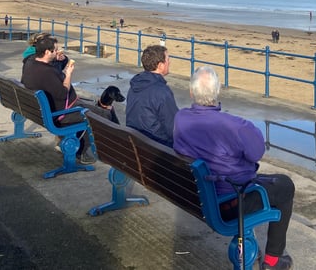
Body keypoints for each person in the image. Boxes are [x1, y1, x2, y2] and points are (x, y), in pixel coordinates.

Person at [174, 66, 295, 270]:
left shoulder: (180, 119)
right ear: (218, 91)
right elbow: (256, 153)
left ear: (191, 92)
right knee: (284, 185)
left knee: (265, 180)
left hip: (197, 196)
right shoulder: (235, 125)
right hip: (228, 204)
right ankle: (273, 260)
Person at [21, 35, 94, 164]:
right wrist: (68, 74)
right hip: (59, 113)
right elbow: (62, 93)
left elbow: (51, 72)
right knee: (96, 115)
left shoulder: (30, 62)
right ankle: (81, 152)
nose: (57, 51)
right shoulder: (46, 72)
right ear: (47, 52)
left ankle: (70, 144)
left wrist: (60, 60)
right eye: (55, 50)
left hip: (38, 111)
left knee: (92, 106)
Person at [125, 45, 178, 147]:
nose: (169, 62)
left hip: (135, 143)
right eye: (168, 59)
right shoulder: (162, 91)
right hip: (156, 147)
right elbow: (173, 128)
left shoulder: (134, 85)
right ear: (160, 65)